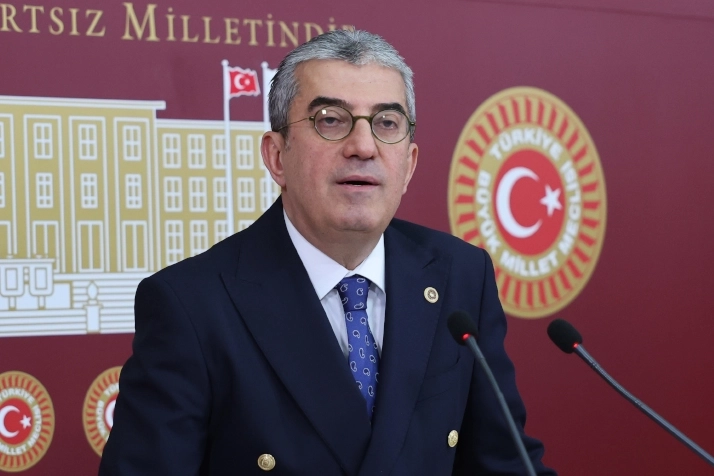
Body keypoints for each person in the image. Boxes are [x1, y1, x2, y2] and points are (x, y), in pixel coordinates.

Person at [99, 29, 556, 475]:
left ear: (409, 164)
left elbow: (506, 463)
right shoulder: (192, 305)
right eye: (331, 120)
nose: (363, 147)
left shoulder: (460, 276)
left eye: (386, 123)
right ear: (277, 156)